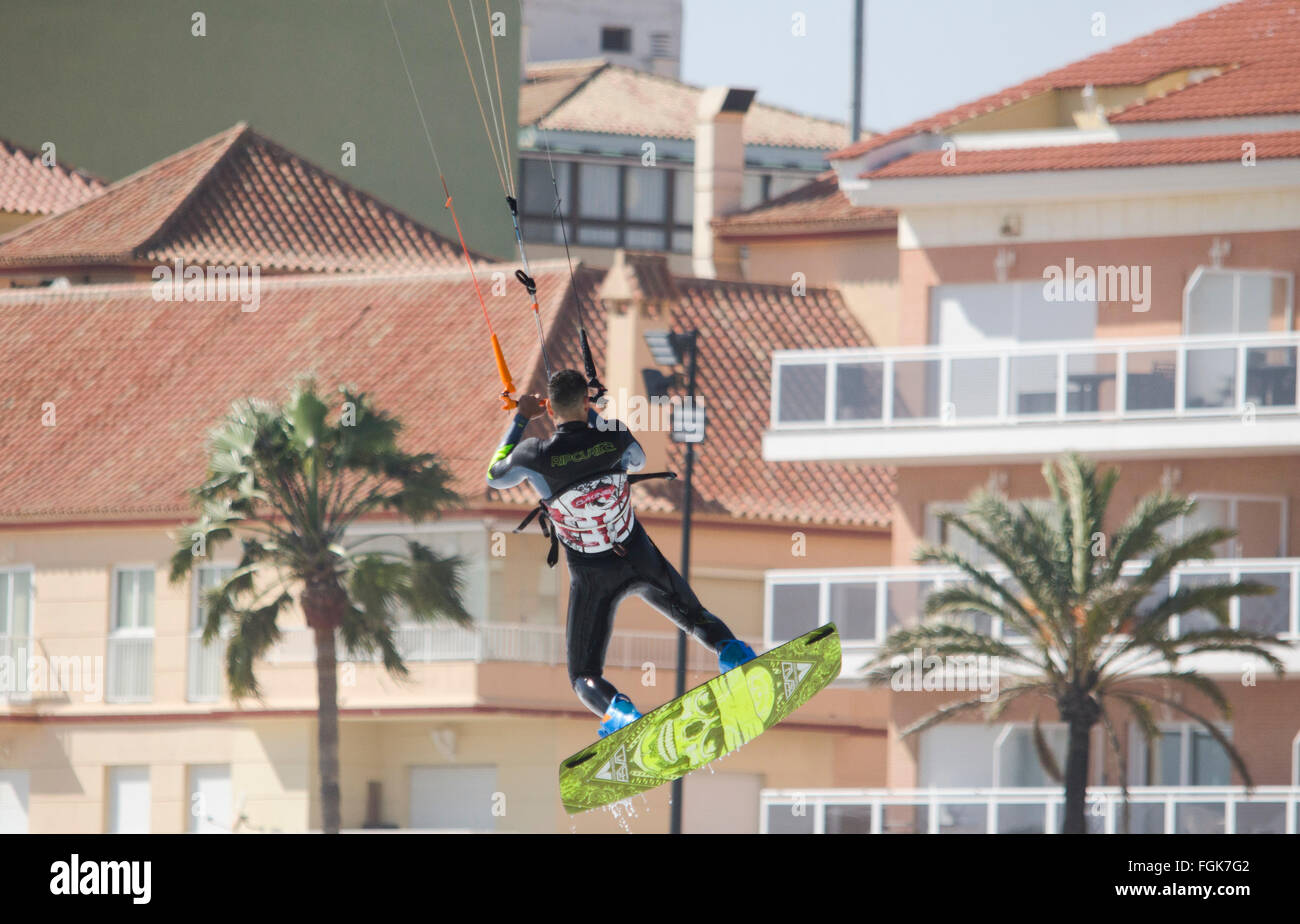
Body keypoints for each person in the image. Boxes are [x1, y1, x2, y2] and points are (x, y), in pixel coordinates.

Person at [486, 369, 756, 738]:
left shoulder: (535, 454)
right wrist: (596, 416)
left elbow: (494, 475)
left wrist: (520, 418)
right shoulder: (614, 435)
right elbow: (639, 461)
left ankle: (621, 712)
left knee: (583, 675)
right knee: (694, 616)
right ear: (585, 401)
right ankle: (736, 656)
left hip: (591, 573)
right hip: (637, 552)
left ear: (550, 409)